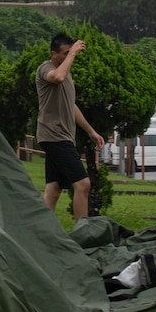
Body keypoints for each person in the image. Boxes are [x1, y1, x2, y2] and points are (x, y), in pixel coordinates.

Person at [35, 33, 105, 221]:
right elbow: (56, 77)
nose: (69, 57)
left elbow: (71, 105)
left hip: (62, 137)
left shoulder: (66, 74)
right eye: (65, 53)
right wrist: (73, 52)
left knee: (54, 188)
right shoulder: (46, 68)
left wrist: (91, 132)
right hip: (54, 136)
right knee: (82, 184)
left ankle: (41, 233)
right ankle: (82, 235)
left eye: (70, 53)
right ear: (54, 54)